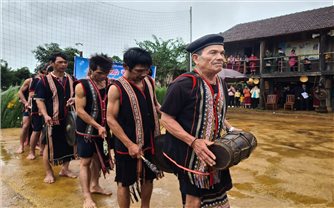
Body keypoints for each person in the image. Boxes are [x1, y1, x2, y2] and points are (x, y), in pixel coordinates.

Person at [160, 34, 240, 208]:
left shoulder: (221, 83)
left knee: (219, 194)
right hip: (189, 153)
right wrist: (194, 142)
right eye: (213, 53)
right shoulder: (182, 84)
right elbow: (166, 118)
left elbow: (216, 111)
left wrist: (231, 128)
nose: (220, 57)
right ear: (196, 58)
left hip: (212, 151)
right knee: (193, 200)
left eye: (222, 53)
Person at [107, 47, 161, 208]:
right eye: (139, 70)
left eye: (146, 70)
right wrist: (130, 144)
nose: (144, 73)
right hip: (126, 143)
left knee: (148, 178)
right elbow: (110, 119)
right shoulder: (116, 88)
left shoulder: (149, 82)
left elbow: (155, 104)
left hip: (150, 140)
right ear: (125, 66)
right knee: (125, 182)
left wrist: (168, 114)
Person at [75, 54, 114, 208]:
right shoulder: (81, 85)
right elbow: (80, 110)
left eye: (105, 73)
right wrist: (97, 125)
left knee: (99, 159)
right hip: (86, 130)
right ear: (91, 70)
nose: (103, 76)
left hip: (104, 130)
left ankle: (95, 185)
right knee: (85, 162)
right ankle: (87, 197)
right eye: (99, 73)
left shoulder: (111, 85)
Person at [35, 52, 76, 183]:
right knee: (49, 145)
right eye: (60, 62)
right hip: (51, 119)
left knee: (69, 143)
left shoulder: (71, 79)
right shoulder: (43, 81)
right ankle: (49, 172)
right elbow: (39, 100)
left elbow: (78, 94)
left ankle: (65, 169)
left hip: (68, 118)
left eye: (65, 62)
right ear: (52, 63)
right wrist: (45, 115)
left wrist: (74, 99)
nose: (63, 65)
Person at [26, 64, 48, 160]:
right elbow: (31, 95)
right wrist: (38, 107)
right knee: (37, 130)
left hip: (46, 109)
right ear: (41, 71)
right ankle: (31, 152)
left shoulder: (48, 80)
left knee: (44, 130)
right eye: (44, 71)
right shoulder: (37, 80)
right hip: (37, 109)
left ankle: (42, 150)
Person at [16, 76, 33, 154]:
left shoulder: (47, 80)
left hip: (39, 107)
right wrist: (25, 103)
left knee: (37, 127)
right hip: (28, 106)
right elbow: (19, 92)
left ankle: (33, 143)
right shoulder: (29, 81)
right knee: (25, 125)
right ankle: (21, 145)